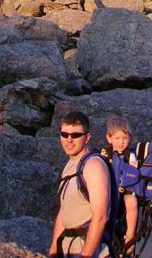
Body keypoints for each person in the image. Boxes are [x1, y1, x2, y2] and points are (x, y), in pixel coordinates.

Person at [50, 111, 111, 258]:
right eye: (64, 134)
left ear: (87, 137)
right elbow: (64, 212)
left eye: (76, 135)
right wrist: (53, 251)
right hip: (67, 246)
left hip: (88, 248)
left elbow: (101, 217)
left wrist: (86, 255)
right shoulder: (70, 165)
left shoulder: (93, 166)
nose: (69, 139)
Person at [103, 116, 139, 254]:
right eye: (117, 138)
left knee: (131, 202)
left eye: (124, 138)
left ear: (129, 138)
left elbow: (133, 173)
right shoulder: (105, 154)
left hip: (127, 188)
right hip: (109, 188)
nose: (121, 142)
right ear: (109, 139)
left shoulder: (130, 156)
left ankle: (130, 234)